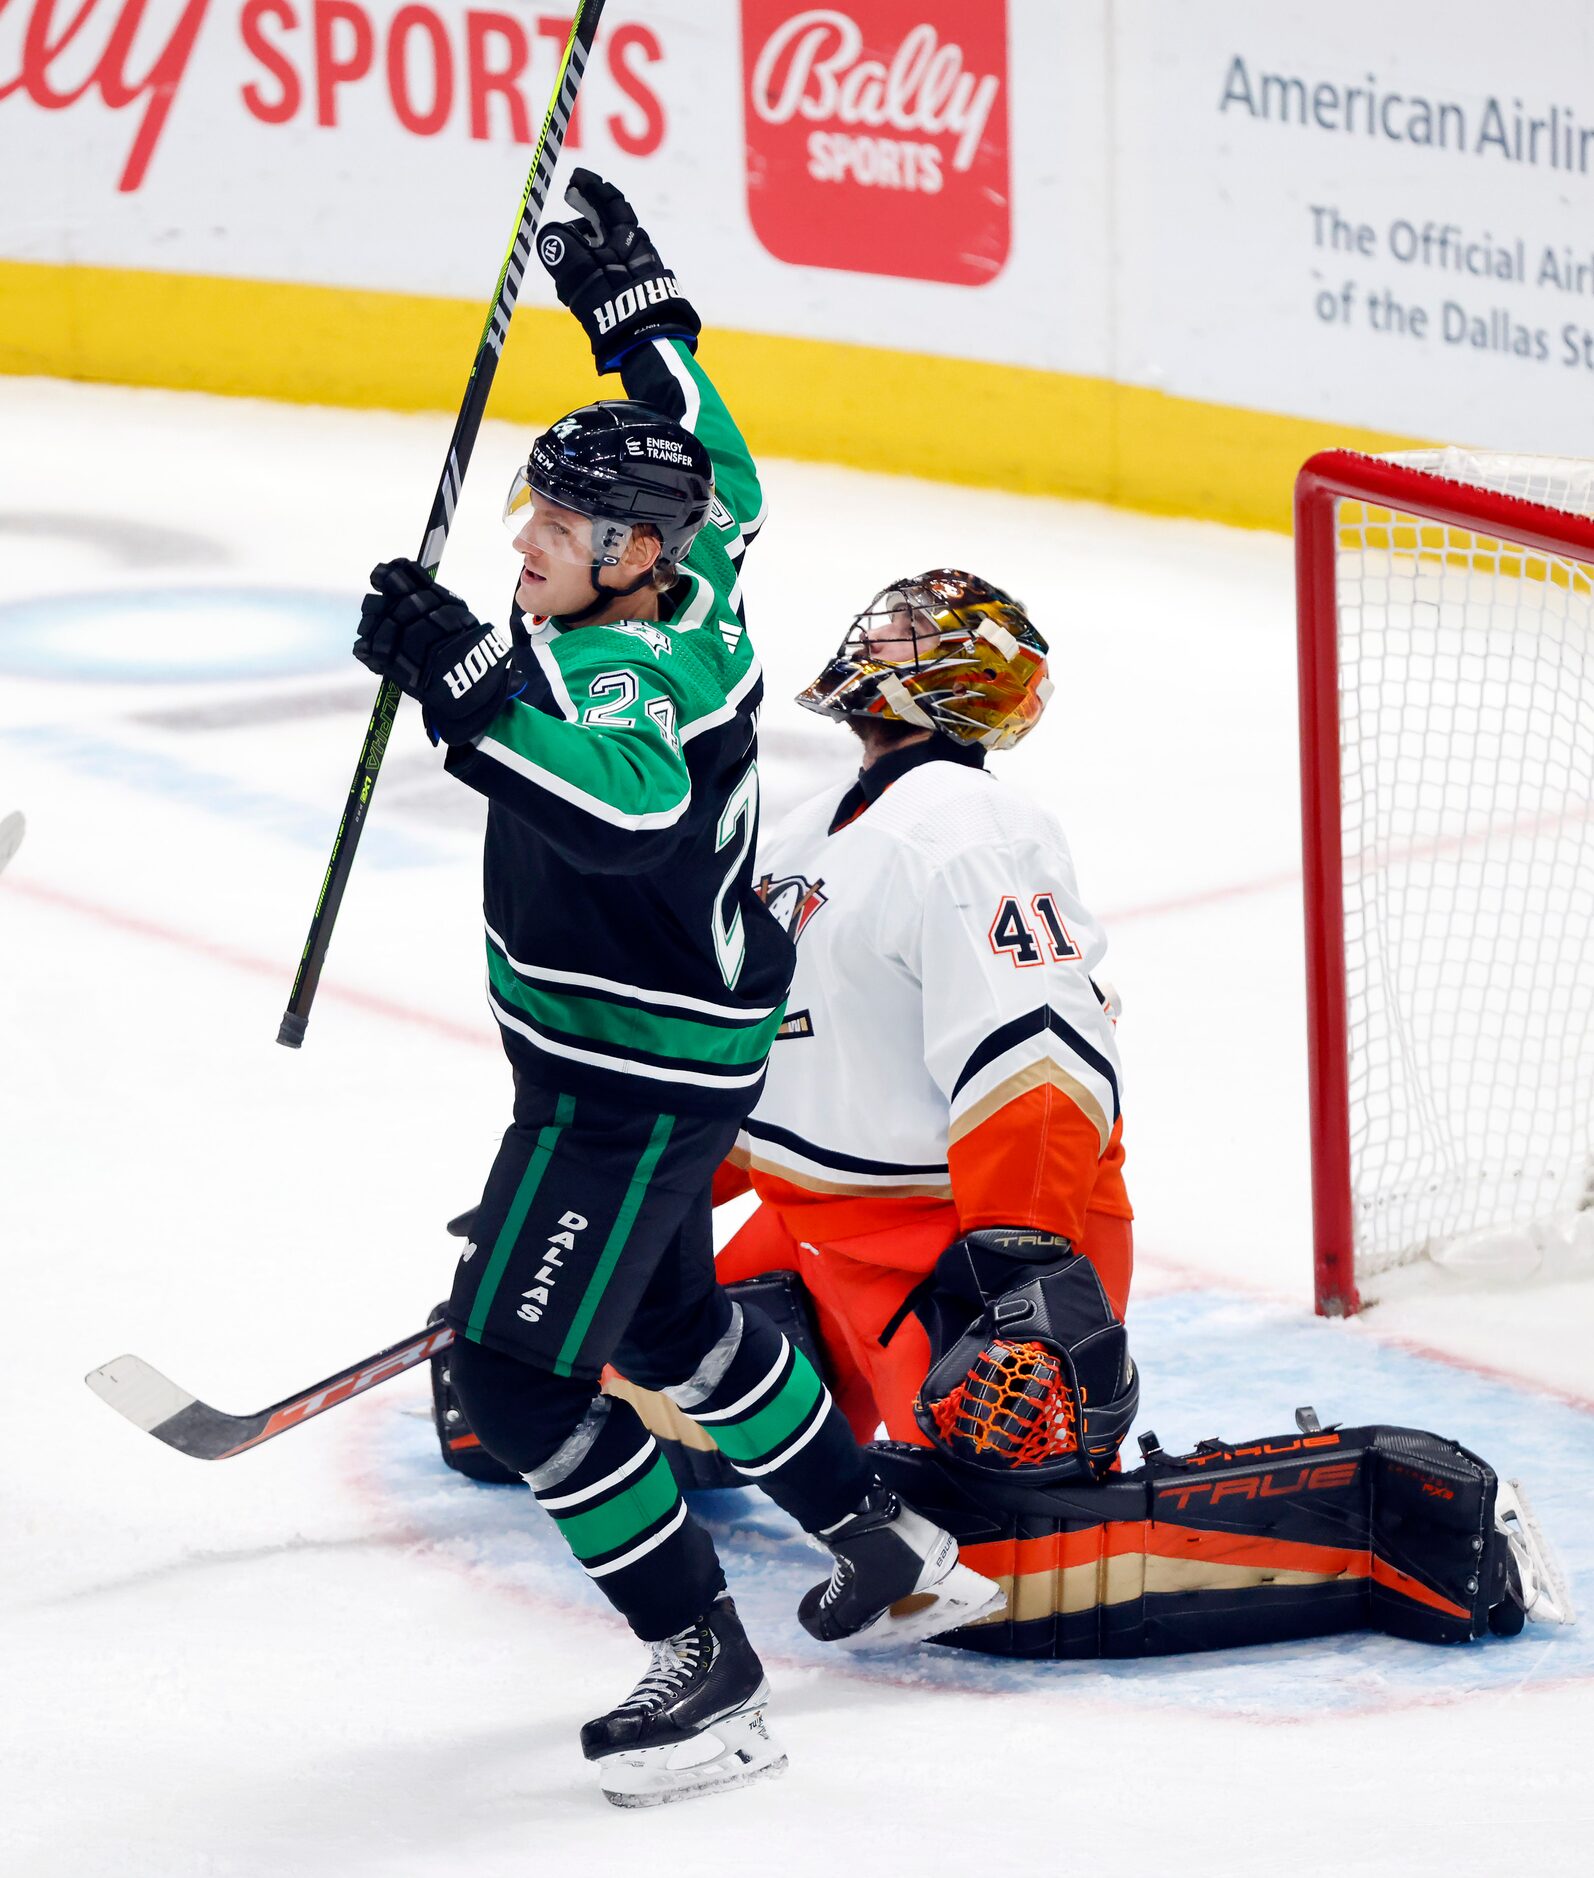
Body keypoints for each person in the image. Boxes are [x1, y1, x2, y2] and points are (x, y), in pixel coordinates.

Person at [351, 172, 998, 1809]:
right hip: (663, 1051)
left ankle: (705, 1666)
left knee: (515, 1374)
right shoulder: (692, 563)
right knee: (672, 1323)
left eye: (555, 528)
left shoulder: (621, 666)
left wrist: (467, 682)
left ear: (629, 556)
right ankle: (891, 1544)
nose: (522, 542)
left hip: (625, 1084)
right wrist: (630, 301)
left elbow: (628, 811)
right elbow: (721, 447)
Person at [715, 569, 1137, 1459]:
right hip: (817, 1226)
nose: (876, 637)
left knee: (990, 1528)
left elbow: (1039, 1053)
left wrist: (1020, 1275)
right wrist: (622, 1189)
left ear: (963, 680)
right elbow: (772, 1046)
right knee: (602, 1378)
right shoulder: (810, 830)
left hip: (952, 1255)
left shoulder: (972, 829)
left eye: (907, 632)